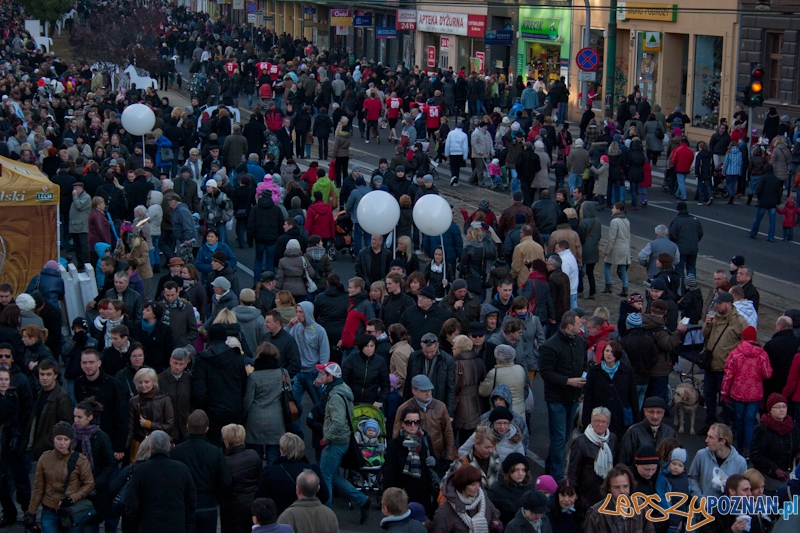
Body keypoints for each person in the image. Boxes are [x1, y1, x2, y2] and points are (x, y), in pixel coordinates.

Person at [315, 361, 371, 521]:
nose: (321, 376)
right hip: (343, 440)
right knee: (331, 475)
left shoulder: (335, 397)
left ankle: (325, 516)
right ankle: (362, 499)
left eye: (323, 374)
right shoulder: (344, 390)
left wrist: (326, 439)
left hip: (335, 442)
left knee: (325, 477)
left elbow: (338, 422)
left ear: (330, 377)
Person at [539, 311, 589, 480]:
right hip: (557, 398)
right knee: (559, 438)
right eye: (578, 323)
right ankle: (557, 476)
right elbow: (546, 373)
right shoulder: (550, 346)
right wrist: (568, 381)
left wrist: (581, 388)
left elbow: (585, 365)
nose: (581, 324)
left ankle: (550, 466)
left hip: (574, 397)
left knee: (565, 437)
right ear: (569, 326)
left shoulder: (581, 342)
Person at [24, 422, 94, 533]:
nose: (62, 443)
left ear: (70, 440)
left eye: (66, 440)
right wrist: (31, 512)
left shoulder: (80, 460)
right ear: (53, 439)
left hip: (71, 510)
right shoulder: (45, 458)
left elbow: (89, 484)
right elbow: (38, 487)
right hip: (49, 510)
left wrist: (73, 497)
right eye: (59, 439)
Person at [171, 410, 232, 533]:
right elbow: (225, 481)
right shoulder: (215, 452)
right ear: (207, 429)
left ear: (187, 426)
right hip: (208, 506)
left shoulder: (176, 452)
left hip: (184, 506)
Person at [124, 430, 196, 533]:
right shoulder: (182, 469)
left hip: (148, 526)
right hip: (176, 525)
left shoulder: (141, 470)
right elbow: (191, 501)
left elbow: (131, 504)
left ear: (150, 447)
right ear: (168, 447)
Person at [192, 324, 248, 445]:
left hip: (211, 411)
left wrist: (200, 407)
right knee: (233, 445)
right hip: (234, 409)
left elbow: (199, 389)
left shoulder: (202, 359)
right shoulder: (236, 357)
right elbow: (243, 384)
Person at [701, 292, 749, 431]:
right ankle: (710, 422)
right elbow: (705, 334)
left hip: (726, 368)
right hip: (710, 365)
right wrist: (707, 325)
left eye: (720, 303)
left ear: (729, 304)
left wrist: (733, 356)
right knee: (708, 395)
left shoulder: (739, 322)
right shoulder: (715, 318)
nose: (717, 306)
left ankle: (728, 426)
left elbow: (746, 342)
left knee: (726, 399)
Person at [721, 326, 772, 454]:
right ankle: (747, 449)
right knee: (750, 420)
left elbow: (728, 375)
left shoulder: (735, 353)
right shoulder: (762, 355)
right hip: (755, 394)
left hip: (738, 393)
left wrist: (724, 392)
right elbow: (767, 374)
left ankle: (738, 446)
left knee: (738, 419)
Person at [393, 375, 457, 471]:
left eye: (429, 390)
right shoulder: (404, 409)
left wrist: (448, 457)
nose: (427, 393)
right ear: (414, 391)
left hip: (437, 457)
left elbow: (448, 432)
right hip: (412, 457)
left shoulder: (440, 406)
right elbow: (396, 435)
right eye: (423, 391)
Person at [257, 433, 329, 516]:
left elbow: (260, 498)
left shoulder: (270, 472)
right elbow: (324, 495)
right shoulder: (312, 470)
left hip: (279, 518)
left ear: (282, 450)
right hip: (306, 516)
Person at [383, 406, 438, 515]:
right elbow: (389, 473)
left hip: (423, 493)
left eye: (416, 422)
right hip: (402, 495)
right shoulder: (394, 445)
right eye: (409, 422)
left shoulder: (425, 439)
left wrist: (434, 461)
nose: (413, 425)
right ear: (402, 424)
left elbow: (433, 464)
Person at [582, 341, 640, 441]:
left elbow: (633, 396)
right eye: (607, 351)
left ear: (618, 354)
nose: (609, 354)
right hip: (600, 418)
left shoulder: (627, 371)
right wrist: (586, 421)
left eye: (612, 351)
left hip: (620, 418)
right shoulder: (595, 371)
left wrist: (636, 420)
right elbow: (588, 397)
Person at [244, 343, 285, 465]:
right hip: (276, 419)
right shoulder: (282, 373)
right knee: (273, 457)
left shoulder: (253, 376)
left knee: (256, 459)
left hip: (255, 420)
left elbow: (248, 400)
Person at [25, 359, 74, 462]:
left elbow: (66, 427)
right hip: (40, 448)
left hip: (53, 451)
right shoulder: (40, 393)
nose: (45, 378)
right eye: (42, 374)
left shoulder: (62, 398)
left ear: (55, 376)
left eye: (48, 374)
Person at [584, 464, 656, 533]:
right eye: (617, 487)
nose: (622, 491)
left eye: (625, 486)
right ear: (609, 488)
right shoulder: (596, 514)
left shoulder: (641, 507)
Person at [750, 393, 800, 491]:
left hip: (787, 474)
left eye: (784, 406)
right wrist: (774, 469)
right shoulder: (762, 429)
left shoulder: (792, 427)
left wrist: (798, 454)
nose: (781, 409)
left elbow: (797, 446)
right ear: (770, 410)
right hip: (767, 477)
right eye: (777, 407)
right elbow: (755, 455)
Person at [432, 464, 501, 533]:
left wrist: (496, 526)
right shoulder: (445, 510)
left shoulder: (483, 498)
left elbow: (495, 516)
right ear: (462, 486)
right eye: (473, 484)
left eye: (478, 483)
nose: (477, 487)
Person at [568, 407, 616, 506]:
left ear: (608, 424)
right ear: (591, 421)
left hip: (606, 490)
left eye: (604, 421)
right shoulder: (580, 442)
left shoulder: (612, 439)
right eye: (597, 421)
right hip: (587, 492)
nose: (600, 424)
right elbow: (573, 471)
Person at [403, 332, 457, 418]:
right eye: (426, 352)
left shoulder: (447, 360)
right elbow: (408, 382)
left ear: (437, 346)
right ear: (421, 346)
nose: (429, 354)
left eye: (432, 351)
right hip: (417, 402)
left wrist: (449, 413)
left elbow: (450, 387)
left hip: (438, 400)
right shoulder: (414, 357)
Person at [220, 424, 261, 533]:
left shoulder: (225, 462)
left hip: (233, 507)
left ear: (227, 442)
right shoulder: (254, 455)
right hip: (252, 502)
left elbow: (224, 485)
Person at [688, 423, 747, 497]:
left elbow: (744, 488)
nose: (706, 440)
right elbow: (692, 478)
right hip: (703, 506)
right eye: (707, 436)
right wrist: (699, 497)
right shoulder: (701, 455)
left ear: (722, 441)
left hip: (727, 507)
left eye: (711, 437)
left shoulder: (740, 463)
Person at [617, 396, 677, 466]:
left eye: (659, 412)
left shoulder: (670, 433)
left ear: (663, 413)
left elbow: (677, 461)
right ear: (645, 412)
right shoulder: (633, 432)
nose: (655, 416)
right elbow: (623, 461)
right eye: (651, 412)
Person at [487, 453, 536, 526]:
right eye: (516, 470)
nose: (520, 473)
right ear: (508, 471)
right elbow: (492, 517)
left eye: (523, 470)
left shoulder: (530, 488)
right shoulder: (495, 491)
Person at [158, 347, 193, 443]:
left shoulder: (189, 379)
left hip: (185, 428)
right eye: (175, 363)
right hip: (168, 428)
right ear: (170, 361)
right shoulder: (160, 380)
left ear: (186, 364)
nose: (177, 367)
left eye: (181, 364)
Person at [601, 203, 631, 297]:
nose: (611, 210)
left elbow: (612, 238)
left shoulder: (614, 221)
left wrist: (607, 250)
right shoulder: (626, 220)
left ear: (618, 209)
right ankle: (625, 287)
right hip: (625, 248)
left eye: (613, 208)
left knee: (606, 264)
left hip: (616, 248)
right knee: (622, 268)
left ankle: (608, 285)